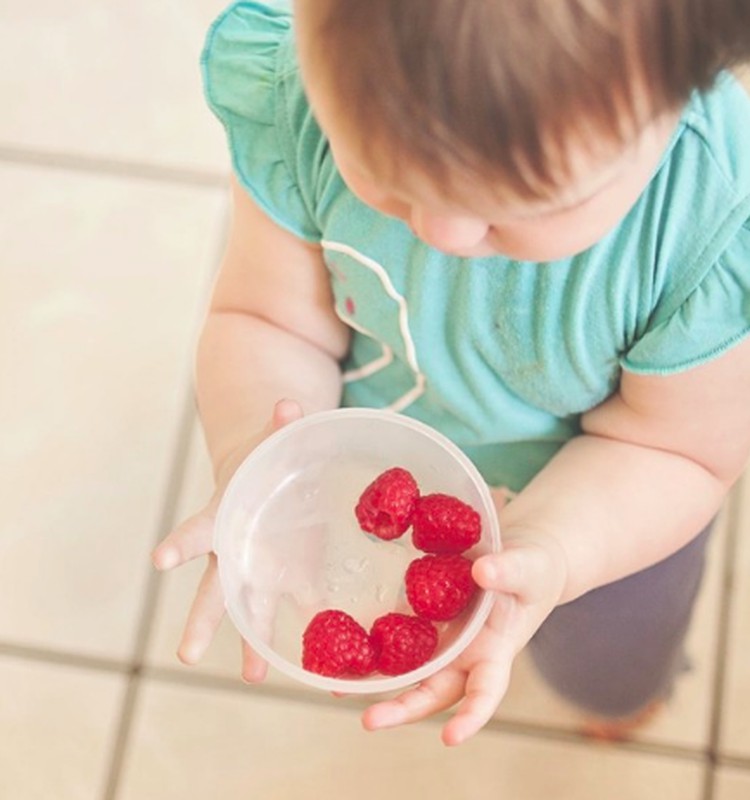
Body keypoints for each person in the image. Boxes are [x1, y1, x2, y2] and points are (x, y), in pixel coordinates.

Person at [152, 0, 750, 746]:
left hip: (611, 512)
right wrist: (254, 456)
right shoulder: (307, 94)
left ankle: (620, 698)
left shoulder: (709, 223)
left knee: (607, 661)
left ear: (676, 98)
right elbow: (269, 320)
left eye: (522, 205)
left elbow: (677, 450)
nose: (444, 232)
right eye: (380, 170)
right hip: (383, 454)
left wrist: (557, 548)